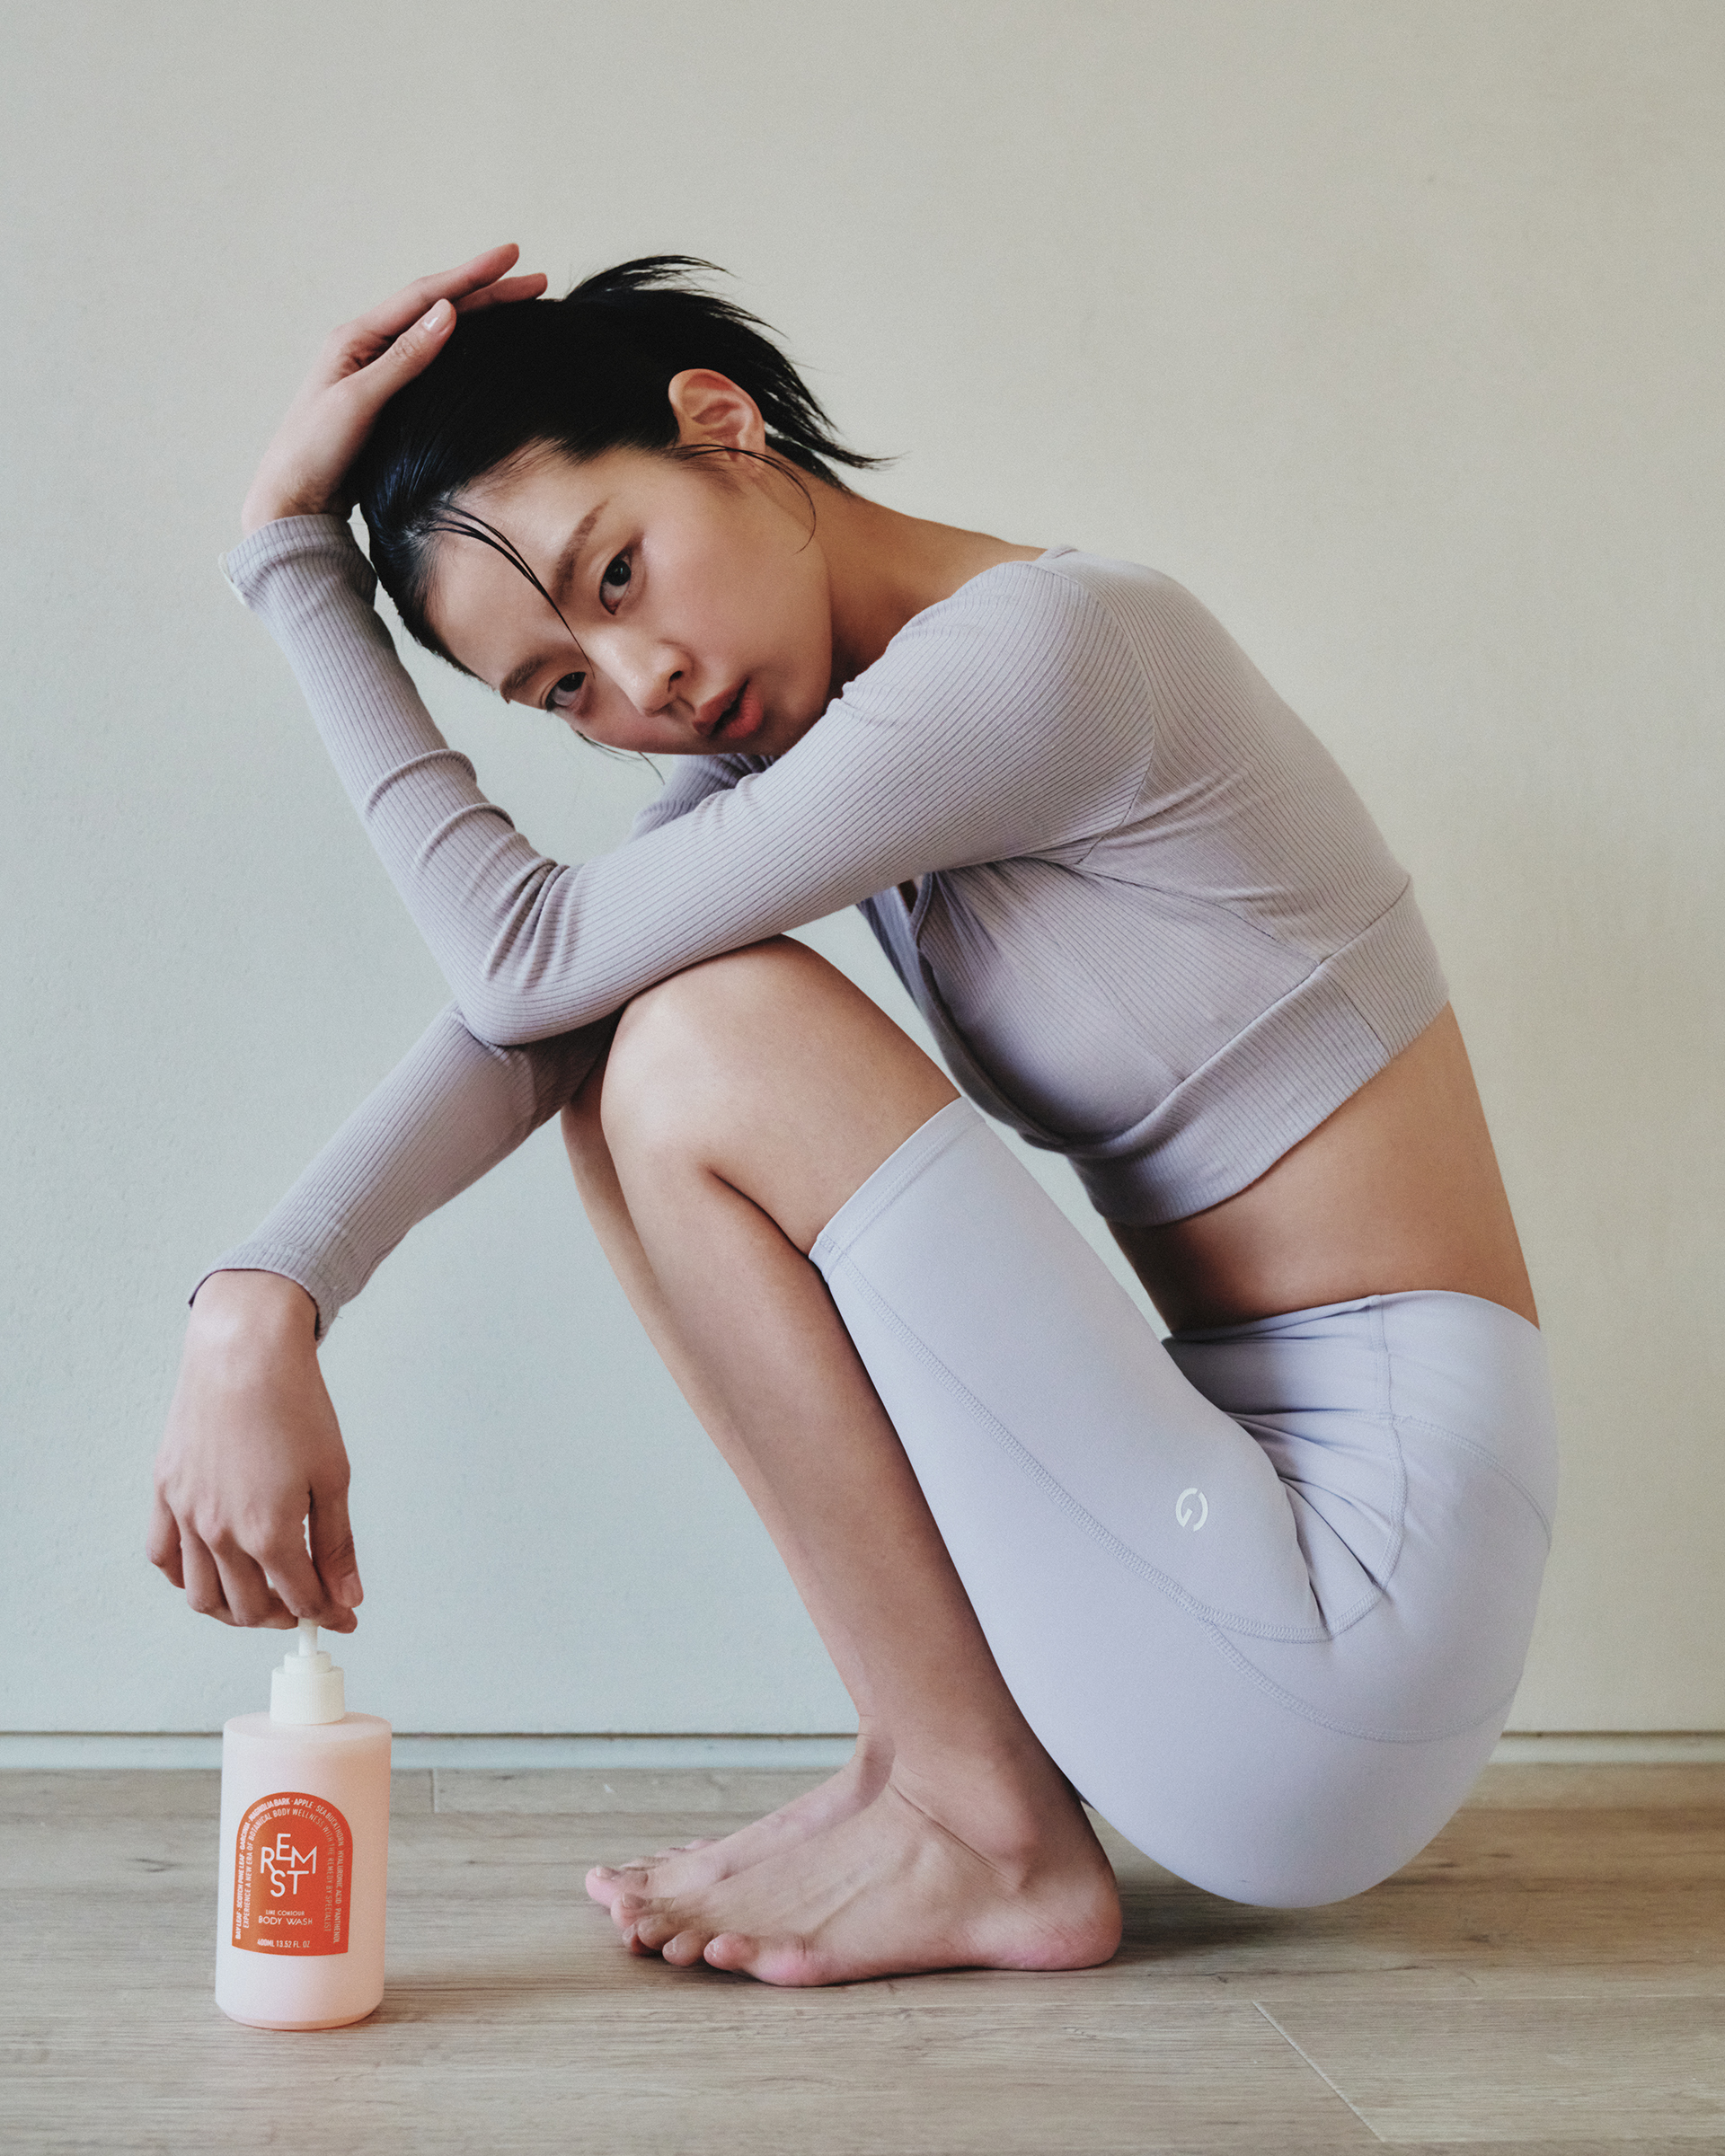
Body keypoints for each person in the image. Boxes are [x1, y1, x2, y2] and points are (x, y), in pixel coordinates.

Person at [151, 244, 1557, 1988]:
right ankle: (931, 1771)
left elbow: (525, 961)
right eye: (565, 689)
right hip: (1221, 1570)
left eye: (616, 572)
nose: (645, 679)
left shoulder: (1055, 652)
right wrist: (267, 1291)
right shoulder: (828, 743)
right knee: (638, 1055)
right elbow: (537, 1017)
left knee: (700, 1035)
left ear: (721, 426)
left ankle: (986, 1827)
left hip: (1360, 1618)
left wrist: (293, 559)